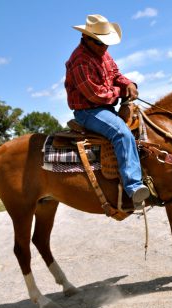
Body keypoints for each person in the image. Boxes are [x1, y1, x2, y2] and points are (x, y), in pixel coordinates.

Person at [65, 14, 149, 209]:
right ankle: (134, 187)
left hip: (106, 106)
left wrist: (128, 83)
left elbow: (116, 74)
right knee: (121, 133)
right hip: (88, 111)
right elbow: (96, 95)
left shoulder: (102, 53)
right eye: (100, 43)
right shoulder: (79, 61)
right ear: (86, 38)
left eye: (106, 44)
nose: (104, 48)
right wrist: (121, 92)